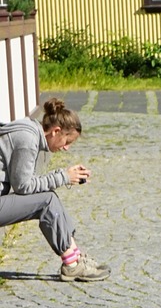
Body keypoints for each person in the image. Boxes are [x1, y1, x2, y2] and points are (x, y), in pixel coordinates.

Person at [0, 100, 109, 281]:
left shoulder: (30, 132)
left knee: (49, 197)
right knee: (47, 201)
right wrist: (64, 177)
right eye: (67, 141)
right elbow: (23, 186)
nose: (66, 148)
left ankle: (74, 256)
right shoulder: (27, 140)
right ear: (56, 131)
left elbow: (30, 182)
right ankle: (72, 265)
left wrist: (62, 174)